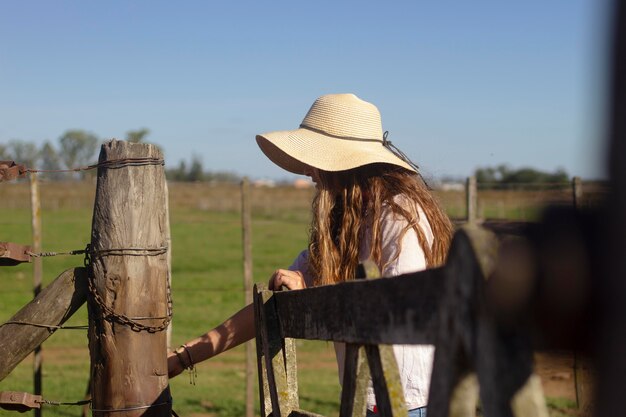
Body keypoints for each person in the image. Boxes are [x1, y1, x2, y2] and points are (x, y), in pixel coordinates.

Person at [168, 93, 453, 417]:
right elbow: (265, 310)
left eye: (316, 161)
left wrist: (315, 303)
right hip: (372, 400)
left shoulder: (398, 215)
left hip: (411, 403)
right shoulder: (345, 225)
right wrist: (183, 357)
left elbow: (401, 312)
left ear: (344, 164)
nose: (308, 171)